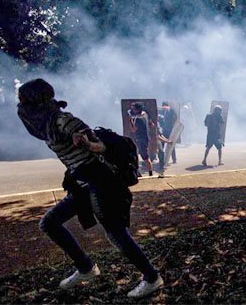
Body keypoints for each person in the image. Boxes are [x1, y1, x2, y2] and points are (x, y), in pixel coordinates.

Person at [16, 79, 162, 298]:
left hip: (100, 182)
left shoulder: (63, 121)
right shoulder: (47, 124)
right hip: (82, 183)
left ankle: (152, 278)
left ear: (38, 101)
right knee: (50, 223)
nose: (21, 107)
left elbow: (101, 146)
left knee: (115, 234)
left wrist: (88, 144)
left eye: (24, 101)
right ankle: (86, 268)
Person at [127, 102, 153, 177]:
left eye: (134, 108)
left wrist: (130, 121)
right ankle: (144, 172)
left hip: (140, 139)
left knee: (145, 157)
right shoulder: (145, 115)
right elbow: (151, 124)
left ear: (137, 109)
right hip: (145, 138)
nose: (133, 109)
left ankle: (150, 173)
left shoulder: (138, 119)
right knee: (140, 156)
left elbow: (133, 130)